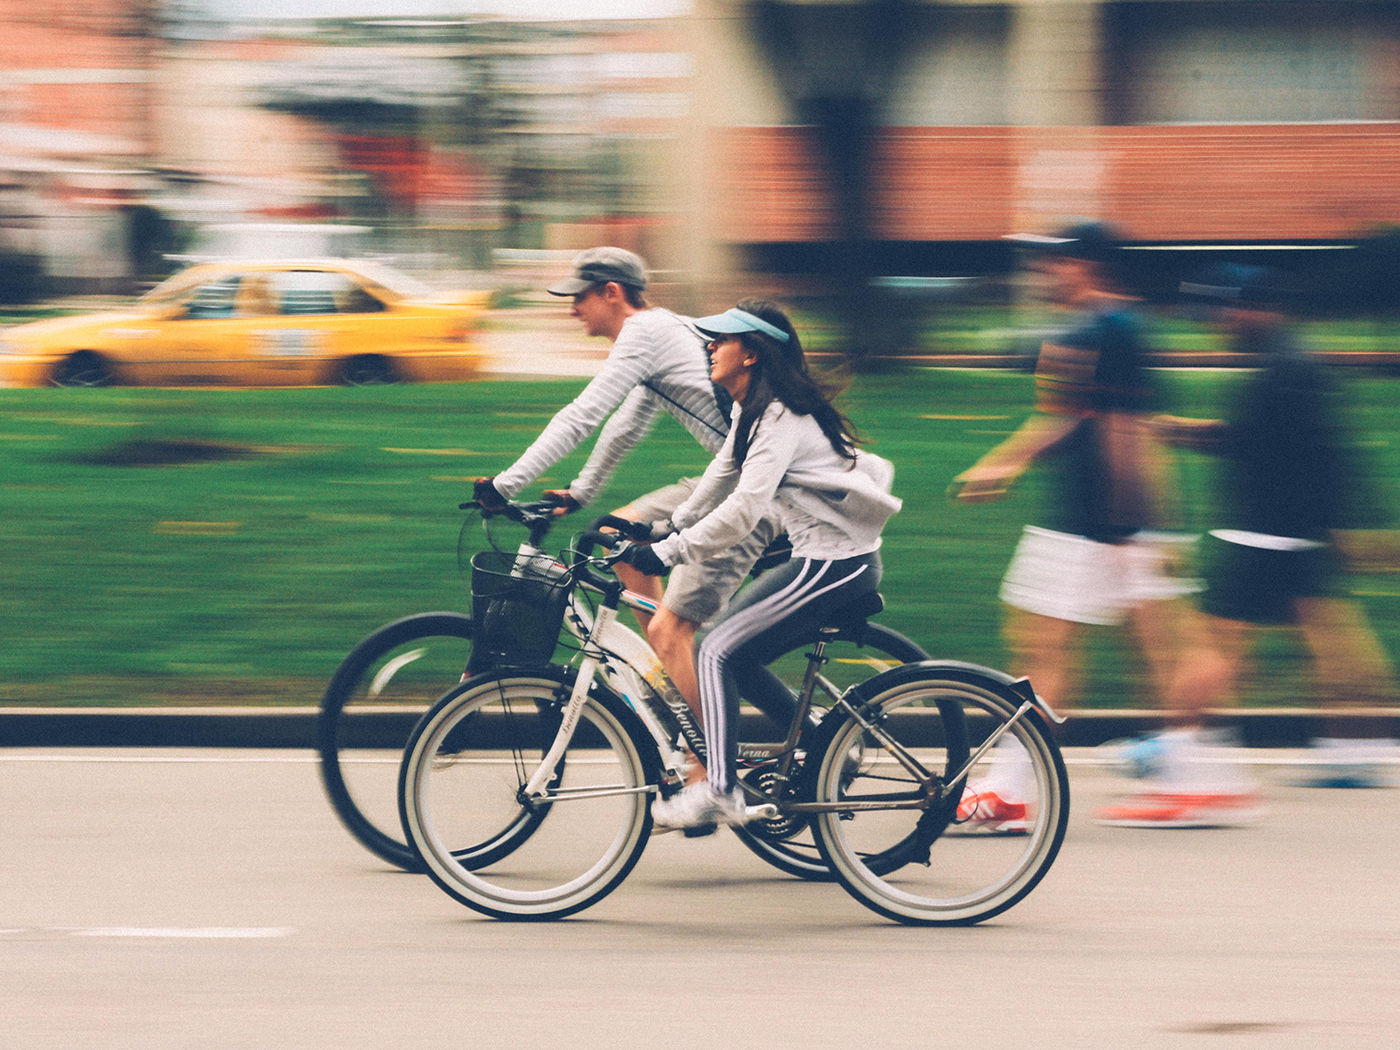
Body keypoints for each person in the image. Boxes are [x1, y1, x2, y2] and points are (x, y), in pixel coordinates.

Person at [1096, 264, 1397, 825]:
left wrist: (1176, 430)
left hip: (1264, 533)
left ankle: (1184, 772)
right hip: (1296, 533)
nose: (1216, 324)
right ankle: (1357, 750)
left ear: (1255, 307)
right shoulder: (1291, 360)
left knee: (1210, 647)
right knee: (1331, 636)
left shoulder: (1280, 368)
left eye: (1221, 312)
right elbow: (1308, 448)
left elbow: (1257, 445)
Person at [617, 300, 902, 829]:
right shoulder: (754, 412)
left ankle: (719, 789)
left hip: (835, 565)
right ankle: (818, 740)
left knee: (715, 652)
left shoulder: (779, 416)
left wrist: (666, 553)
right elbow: (717, 483)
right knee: (736, 658)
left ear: (750, 353)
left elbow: (743, 510)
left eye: (720, 340)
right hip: (823, 560)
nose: (708, 346)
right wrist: (664, 528)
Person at [472, 248, 781, 733]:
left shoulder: (644, 333)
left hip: (756, 492)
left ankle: (709, 764)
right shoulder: (660, 332)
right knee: (617, 536)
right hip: (733, 476)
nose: (571, 308)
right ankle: (671, 679)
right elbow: (625, 426)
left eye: (579, 296)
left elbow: (583, 415)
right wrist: (580, 492)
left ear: (611, 293)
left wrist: (503, 484)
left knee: (672, 627)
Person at [951, 221, 1194, 828]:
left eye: (1055, 262)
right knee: (1141, 651)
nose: (1045, 272)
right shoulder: (1124, 327)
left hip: (1096, 525)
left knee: (1053, 649)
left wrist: (1125, 527)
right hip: (1111, 522)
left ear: (1087, 266)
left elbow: (1118, 428)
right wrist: (1004, 465)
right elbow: (1087, 421)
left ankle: (1013, 790)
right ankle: (1190, 776)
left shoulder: (1098, 329)